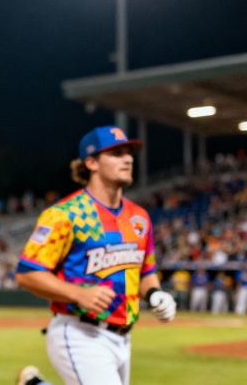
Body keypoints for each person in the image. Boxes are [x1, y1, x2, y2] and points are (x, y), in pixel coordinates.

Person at [15, 126, 176, 385]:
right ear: (91, 162)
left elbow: (145, 271)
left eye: (129, 152)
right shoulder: (66, 214)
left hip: (124, 337)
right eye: (116, 153)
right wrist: (79, 294)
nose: (128, 158)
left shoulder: (139, 217)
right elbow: (27, 273)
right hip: (79, 332)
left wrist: (156, 293)